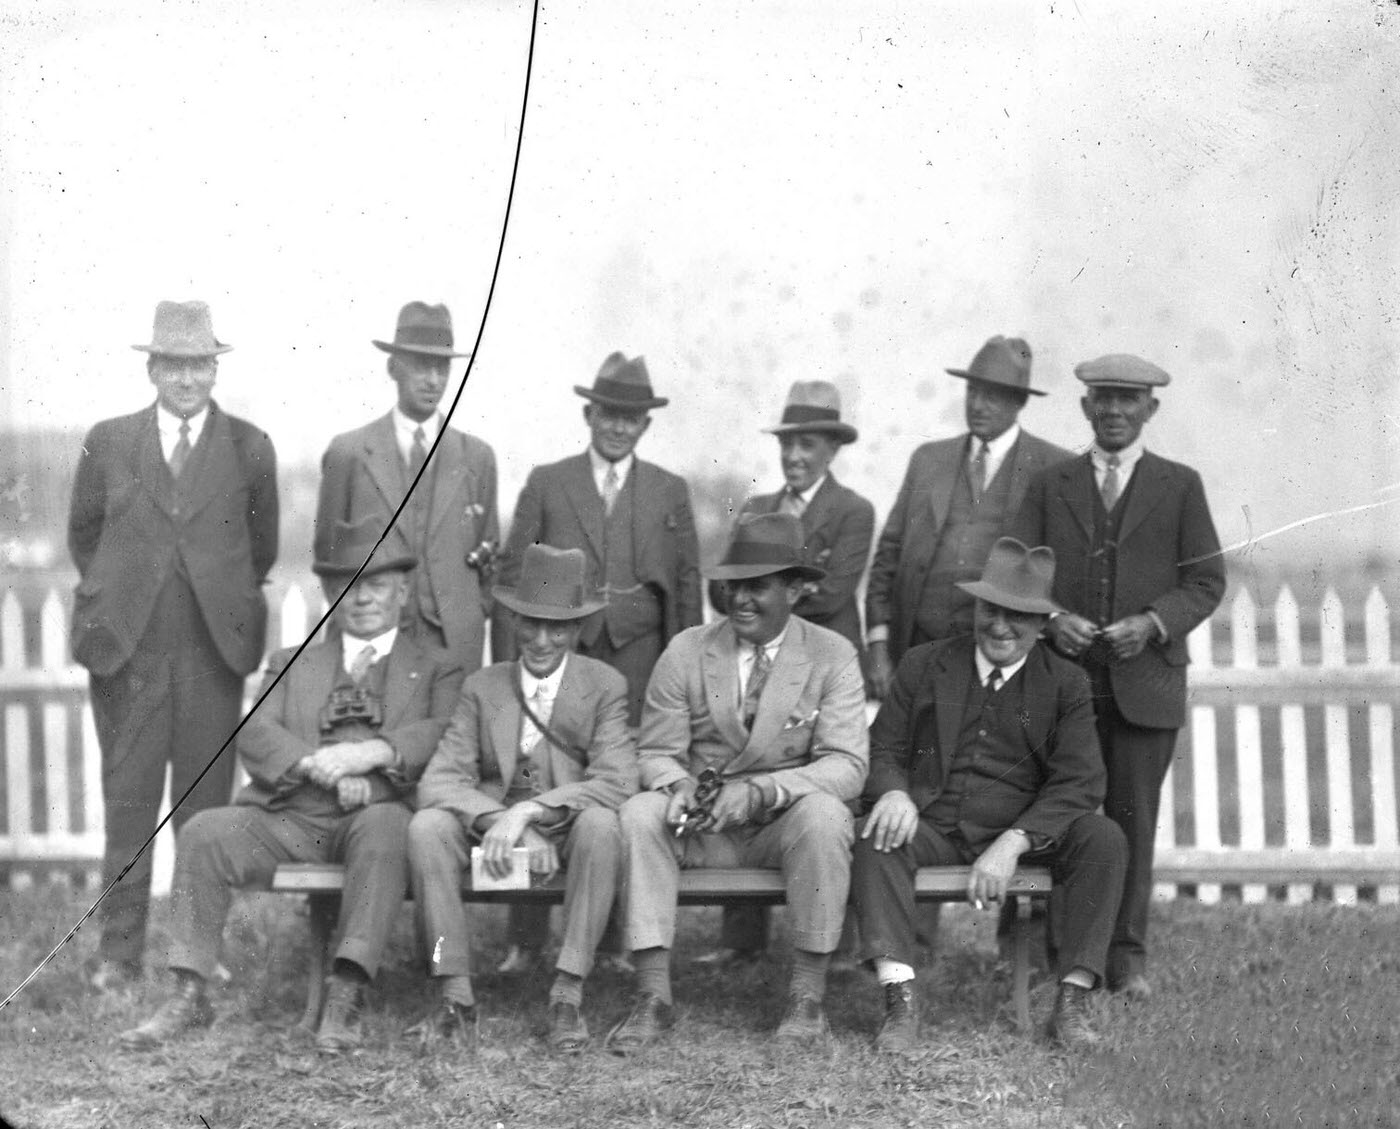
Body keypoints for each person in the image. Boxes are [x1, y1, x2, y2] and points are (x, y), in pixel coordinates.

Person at [118, 520, 464, 1053]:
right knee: (206, 832)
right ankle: (189, 992)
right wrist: (316, 764)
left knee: (385, 828)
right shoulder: (291, 662)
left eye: (377, 582)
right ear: (329, 591)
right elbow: (255, 732)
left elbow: (440, 735)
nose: (363, 596)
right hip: (293, 817)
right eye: (349, 582)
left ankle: (346, 995)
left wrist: (370, 760)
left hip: (376, 816)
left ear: (404, 590)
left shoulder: (437, 668)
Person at [68, 300, 279, 990]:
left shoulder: (250, 447)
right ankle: (117, 956)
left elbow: (262, 549)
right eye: (175, 363)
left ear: (214, 369)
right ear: (153, 368)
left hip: (212, 656)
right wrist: (126, 604)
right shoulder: (110, 440)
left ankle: (196, 953)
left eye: (199, 364)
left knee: (203, 808)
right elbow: (85, 538)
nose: (187, 378)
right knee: (127, 806)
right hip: (130, 655)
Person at [852, 537, 1128, 1051]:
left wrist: (1016, 840)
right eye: (991, 610)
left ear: (1044, 623)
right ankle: (899, 1000)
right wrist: (893, 794)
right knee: (876, 839)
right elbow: (883, 748)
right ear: (976, 607)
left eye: (1018, 616)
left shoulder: (1066, 682)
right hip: (932, 825)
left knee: (1104, 839)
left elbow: (1081, 781)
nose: (1000, 626)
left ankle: (1072, 1004)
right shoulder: (923, 663)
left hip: (1021, 831)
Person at [606, 512, 869, 1052]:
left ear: (796, 589)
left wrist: (761, 792)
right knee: (639, 813)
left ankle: (806, 998)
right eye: (732, 585)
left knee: (826, 814)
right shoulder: (686, 650)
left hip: (781, 831)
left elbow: (847, 764)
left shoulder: (832, 654)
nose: (740, 600)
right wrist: (678, 789)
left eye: (759, 586)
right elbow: (655, 751)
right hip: (705, 833)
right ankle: (652, 995)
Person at [1010, 355, 1225, 999]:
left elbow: (1206, 581)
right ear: (1084, 408)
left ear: (1150, 410)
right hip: (1064, 685)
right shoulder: (1052, 485)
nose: (1113, 410)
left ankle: (1126, 958)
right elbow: (1016, 572)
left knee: (1132, 820)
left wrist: (1154, 623)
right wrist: (1052, 622)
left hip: (1144, 685)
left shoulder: (1179, 485)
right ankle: (1062, 954)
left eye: (1128, 400)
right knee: (1062, 815)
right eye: (1102, 399)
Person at [488, 352, 701, 970]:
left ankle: (609, 940)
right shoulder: (549, 483)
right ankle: (524, 940)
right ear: (589, 414)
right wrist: (513, 680)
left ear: (646, 426)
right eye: (609, 413)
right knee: (534, 777)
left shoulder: (668, 490)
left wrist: (681, 683)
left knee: (613, 789)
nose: (618, 426)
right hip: (552, 661)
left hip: (638, 666)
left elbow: (686, 592)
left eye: (631, 417)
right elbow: (510, 580)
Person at [407, 544, 637, 1053]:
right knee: (426, 827)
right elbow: (439, 781)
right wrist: (501, 821)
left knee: (603, 826)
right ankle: (455, 995)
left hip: (568, 827)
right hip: (496, 831)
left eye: (558, 627)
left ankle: (567, 994)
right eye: (530, 623)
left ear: (577, 630)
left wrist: (531, 811)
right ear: (512, 621)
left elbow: (618, 780)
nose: (541, 639)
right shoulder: (483, 686)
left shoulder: (604, 686)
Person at [704, 379, 874, 964]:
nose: (796, 457)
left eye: (809, 446)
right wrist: (757, 585)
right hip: (756, 659)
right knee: (743, 763)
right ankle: (741, 939)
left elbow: (833, 592)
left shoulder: (853, 510)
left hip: (821, 667)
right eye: (789, 445)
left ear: (832, 449)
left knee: (826, 793)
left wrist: (764, 586)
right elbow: (720, 585)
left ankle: (837, 938)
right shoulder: (757, 508)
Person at [865, 335, 1071, 699]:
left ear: (1019, 401)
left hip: (1002, 653)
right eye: (973, 392)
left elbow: (1066, 565)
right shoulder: (928, 460)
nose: (978, 404)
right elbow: (888, 557)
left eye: (992, 395)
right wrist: (879, 644)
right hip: (918, 648)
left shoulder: (1053, 467)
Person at [315, 301, 499, 674]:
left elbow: (489, 559)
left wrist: (469, 614)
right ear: (393, 367)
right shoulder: (349, 453)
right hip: (372, 641)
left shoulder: (476, 458)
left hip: (452, 646)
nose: (433, 380)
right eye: (420, 365)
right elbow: (328, 555)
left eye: (442, 367)